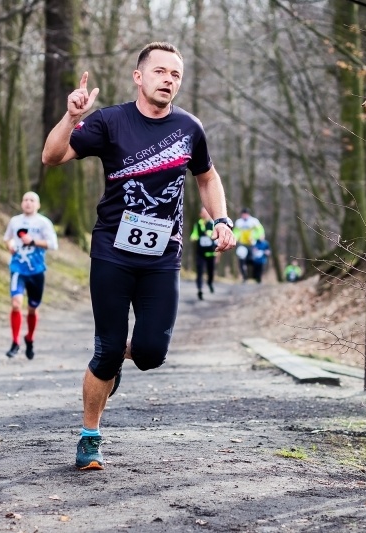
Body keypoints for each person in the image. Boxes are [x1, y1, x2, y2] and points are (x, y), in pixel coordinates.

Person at [41, 41, 236, 470]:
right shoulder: (109, 122)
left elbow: (207, 176)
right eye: (160, 72)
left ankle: (117, 364)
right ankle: (90, 435)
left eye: (175, 75)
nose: (168, 80)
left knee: (150, 352)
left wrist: (222, 219)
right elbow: (51, 156)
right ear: (139, 76)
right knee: (107, 349)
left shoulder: (189, 128)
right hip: (112, 248)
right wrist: (72, 117)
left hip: (163, 254)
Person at [2, 191, 58, 360]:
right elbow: (7, 239)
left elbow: (53, 244)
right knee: (16, 304)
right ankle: (15, 342)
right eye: (25, 199)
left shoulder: (43, 223)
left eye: (31, 200)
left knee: (32, 309)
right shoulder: (15, 221)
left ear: (38, 204)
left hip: (37, 271)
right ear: (21, 203)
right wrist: (11, 246)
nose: (28, 203)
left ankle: (29, 338)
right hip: (18, 268)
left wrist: (33, 241)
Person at [189, 207, 216, 300]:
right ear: (200, 215)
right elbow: (195, 234)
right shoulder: (198, 224)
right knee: (199, 272)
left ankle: (210, 282)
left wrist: (209, 233)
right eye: (203, 213)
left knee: (210, 272)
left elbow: (215, 235)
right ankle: (200, 289)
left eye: (206, 213)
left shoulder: (213, 224)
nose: (204, 214)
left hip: (211, 253)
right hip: (200, 253)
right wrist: (193, 237)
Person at [233, 208, 265, 282]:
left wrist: (256, 237)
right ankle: (244, 277)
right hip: (242, 244)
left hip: (252, 244)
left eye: (245, 214)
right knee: (241, 258)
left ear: (248, 214)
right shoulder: (239, 222)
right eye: (242, 214)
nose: (244, 216)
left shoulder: (254, 221)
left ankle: (257, 277)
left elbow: (260, 230)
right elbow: (236, 231)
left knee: (254, 260)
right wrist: (235, 238)